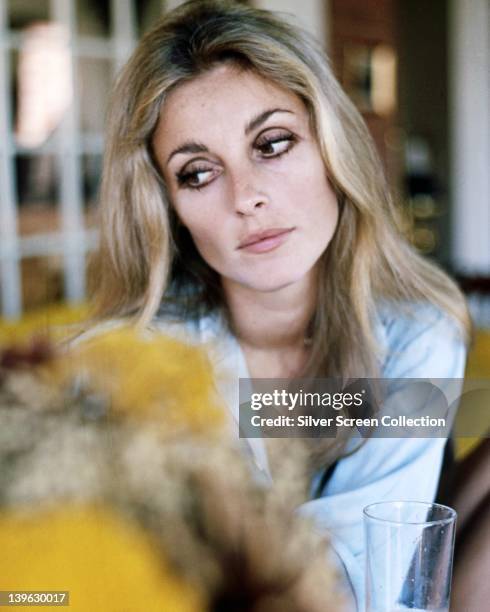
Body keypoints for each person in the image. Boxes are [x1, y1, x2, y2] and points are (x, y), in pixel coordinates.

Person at [88, 0, 472, 609]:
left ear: (330, 147)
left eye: (271, 143)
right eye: (197, 173)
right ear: (166, 209)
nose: (247, 198)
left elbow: (362, 574)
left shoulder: (415, 334)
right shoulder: (126, 360)